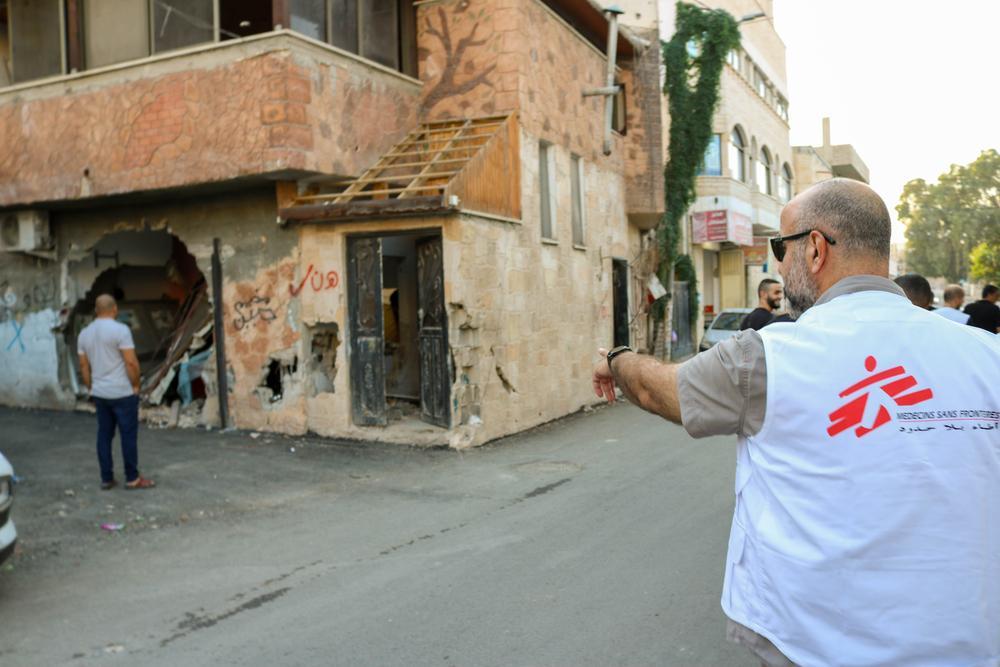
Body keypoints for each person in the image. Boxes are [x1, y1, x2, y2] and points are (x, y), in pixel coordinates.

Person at [593, 178, 1000, 667]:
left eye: (779, 248)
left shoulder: (768, 357)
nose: (777, 265)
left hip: (817, 646)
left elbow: (656, 388)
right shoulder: (988, 353)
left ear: (814, 248)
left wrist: (616, 359)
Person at [77, 294, 155, 491]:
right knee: (127, 435)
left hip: (101, 393)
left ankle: (106, 478)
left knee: (104, 435)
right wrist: (135, 385)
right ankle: (132, 478)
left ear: (96, 310)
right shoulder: (121, 330)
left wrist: (91, 388)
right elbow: (131, 362)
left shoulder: (84, 334)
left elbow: (84, 367)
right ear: (114, 310)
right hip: (122, 392)